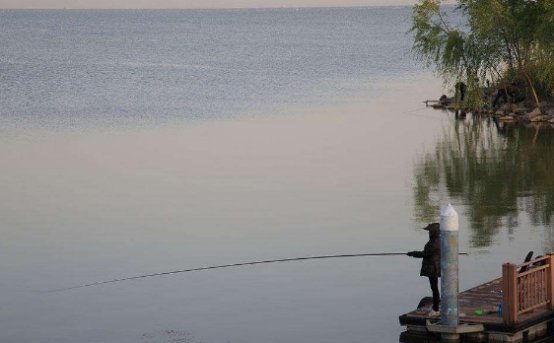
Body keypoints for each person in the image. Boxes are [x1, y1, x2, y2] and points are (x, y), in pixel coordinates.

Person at [407, 223, 441, 316]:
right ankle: (437, 306)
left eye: (430, 231)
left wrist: (412, 253)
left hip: (433, 268)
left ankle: (436, 309)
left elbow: (424, 254)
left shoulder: (433, 243)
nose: (429, 233)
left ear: (434, 232)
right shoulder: (439, 241)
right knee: (434, 288)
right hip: (435, 267)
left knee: (434, 288)